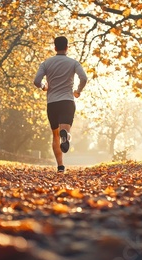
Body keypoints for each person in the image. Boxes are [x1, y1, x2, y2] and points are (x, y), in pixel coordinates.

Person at [34, 36, 88, 173]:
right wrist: (77, 91)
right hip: (67, 101)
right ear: (67, 47)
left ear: (55, 47)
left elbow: (36, 81)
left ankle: (60, 166)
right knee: (66, 131)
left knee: (55, 136)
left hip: (52, 103)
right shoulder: (73, 63)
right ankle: (66, 135)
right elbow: (84, 78)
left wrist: (43, 87)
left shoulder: (46, 63)